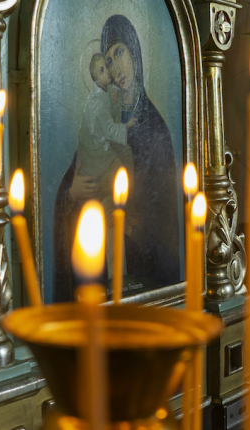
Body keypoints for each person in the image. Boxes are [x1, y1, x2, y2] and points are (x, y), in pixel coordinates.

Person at [52, 15, 181, 302]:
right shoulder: (103, 118)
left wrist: (133, 225)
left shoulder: (156, 128)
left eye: (120, 52)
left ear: (134, 52)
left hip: (143, 284)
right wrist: (71, 193)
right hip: (99, 278)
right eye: (108, 60)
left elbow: (164, 217)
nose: (116, 67)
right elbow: (80, 171)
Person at [76, 53, 136, 199]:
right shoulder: (97, 100)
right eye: (101, 70)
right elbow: (109, 130)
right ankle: (127, 200)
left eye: (106, 66)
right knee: (125, 157)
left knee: (126, 152)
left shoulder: (103, 93)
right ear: (96, 77)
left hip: (101, 143)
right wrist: (127, 125)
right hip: (96, 152)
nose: (107, 71)